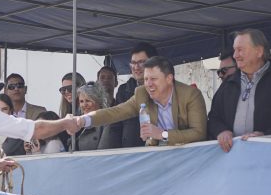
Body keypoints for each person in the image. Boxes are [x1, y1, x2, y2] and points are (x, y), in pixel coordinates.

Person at [78, 56, 207, 145]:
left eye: (154, 79)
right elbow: (115, 112)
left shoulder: (191, 95)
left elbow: (199, 133)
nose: (148, 84)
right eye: (146, 79)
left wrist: (163, 134)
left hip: (189, 158)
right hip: (157, 157)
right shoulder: (141, 93)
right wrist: (82, 120)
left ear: (169, 79)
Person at [207, 28, 271, 152]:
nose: (235, 55)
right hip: (233, 155)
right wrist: (221, 131)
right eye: (235, 50)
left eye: (240, 50)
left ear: (259, 51)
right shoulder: (229, 83)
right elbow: (214, 117)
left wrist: (267, 135)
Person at [107, 42, 158, 148]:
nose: (136, 67)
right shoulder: (123, 90)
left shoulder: (163, 88)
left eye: (141, 62)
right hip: (129, 153)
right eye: (133, 63)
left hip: (158, 151)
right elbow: (115, 125)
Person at [73, 83, 116, 151]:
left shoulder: (106, 122)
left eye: (88, 100)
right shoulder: (78, 122)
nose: (84, 105)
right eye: (81, 101)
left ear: (98, 101)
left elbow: (103, 151)